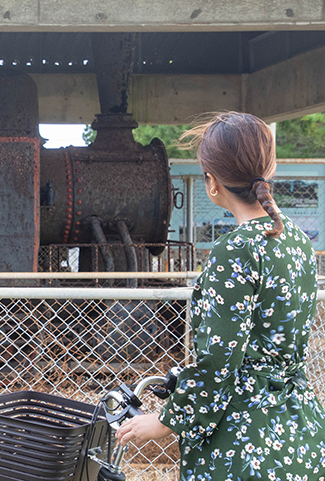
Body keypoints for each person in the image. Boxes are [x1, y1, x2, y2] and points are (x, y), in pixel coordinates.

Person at [115, 111, 325, 480]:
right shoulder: (294, 239)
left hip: (244, 444)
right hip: (300, 432)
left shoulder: (236, 250)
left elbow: (219, 362)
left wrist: (166, 421)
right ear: (269, 168)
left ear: (211, 182)